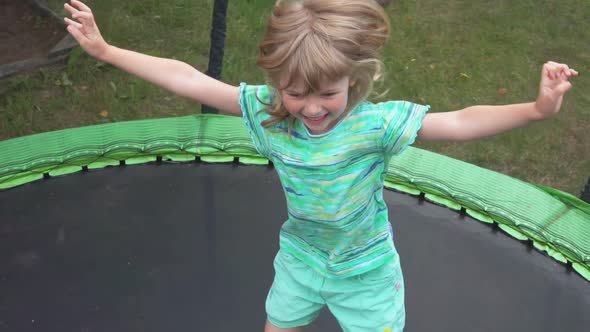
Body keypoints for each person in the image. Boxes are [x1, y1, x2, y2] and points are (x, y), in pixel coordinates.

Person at [63, 0, 577, 331]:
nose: (311, 108)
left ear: (354, 81)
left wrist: (536, 110)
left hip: (366, 271)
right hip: (302, 260)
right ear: (276, 83)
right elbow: (188, 79)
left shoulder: (375, 125)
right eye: (295, 93)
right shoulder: (268, 114)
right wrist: (107, 50)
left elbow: (460, 122)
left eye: (328, 94)